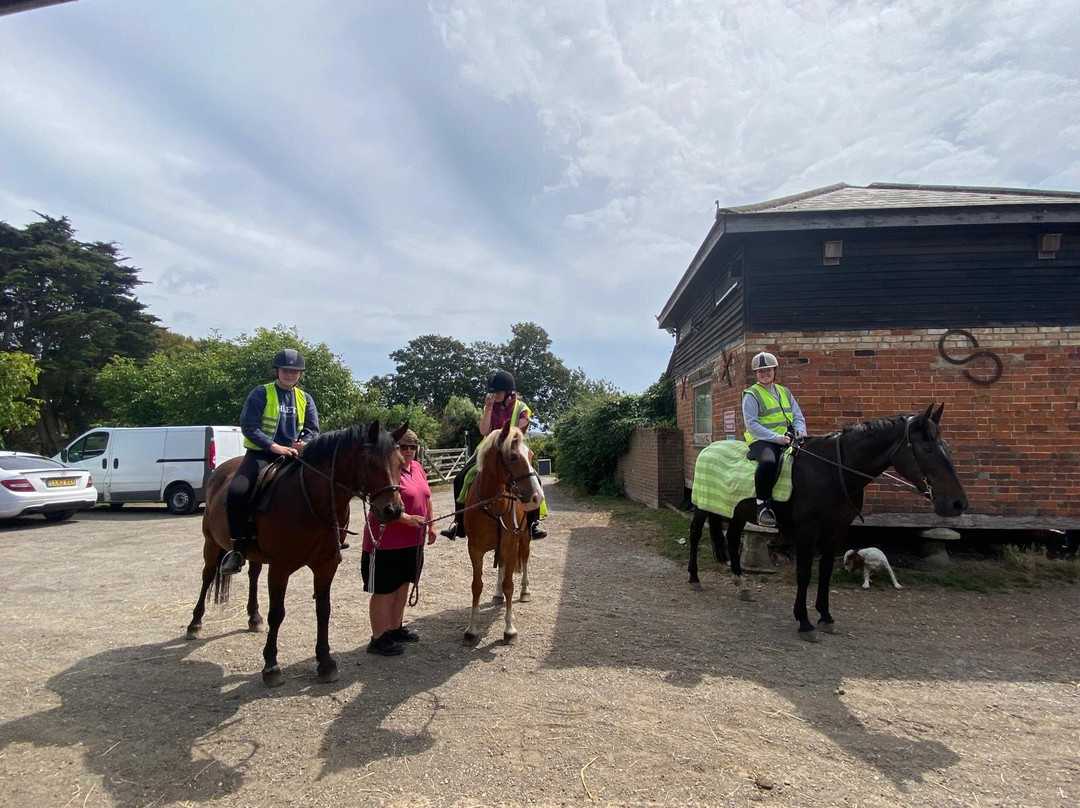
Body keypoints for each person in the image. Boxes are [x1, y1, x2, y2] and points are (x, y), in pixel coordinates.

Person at [220, 348, 320, 575]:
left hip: (295, 456)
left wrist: (304, 442)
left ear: (300, 374)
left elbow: (312, 429)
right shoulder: (261, 393)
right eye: (286, 370)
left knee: (324, 486)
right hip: (262, 455)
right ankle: (237, 549)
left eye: (295, 371)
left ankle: (327, 537)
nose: (290, 374)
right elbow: (249, 427)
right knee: (238, 491)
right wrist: (274, 446)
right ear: (277, 371)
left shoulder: (305, 398)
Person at [440, 369, 547, 540]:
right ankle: (458, 523)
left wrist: (506, 438)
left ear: (508, 391)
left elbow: (520, 429)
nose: (494, 394)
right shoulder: (490, 406)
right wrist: (488, 408)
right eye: (492, 391)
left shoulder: (522, 408)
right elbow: (484, 430)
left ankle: (533, 524)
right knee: (461, 477)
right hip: (488, 448)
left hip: (512, 447)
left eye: (497, 391)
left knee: (535, 480)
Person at [362, 429, 437, 656]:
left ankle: (394, 628)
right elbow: (378, 505)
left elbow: (427, 497)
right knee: (385, 590)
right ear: (394, 448)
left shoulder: (418, 469)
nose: (408, 451)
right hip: (386, 541)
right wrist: (405, 519)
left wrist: (431, 525)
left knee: (403, 585)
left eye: (412, 447)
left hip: (413, 541)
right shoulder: (387, 470)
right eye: (403, 447)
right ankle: (378, 638)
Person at [741, 351, 806, 528]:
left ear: (774, 370)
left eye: (768, 370)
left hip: (787, 436)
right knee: (769, 462)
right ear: (756, 373)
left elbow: (798, 415)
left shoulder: (784, 391)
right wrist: (777, 439)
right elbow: (752, 425)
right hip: (762, 439)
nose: (765, 374)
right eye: (761, 371)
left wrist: (800, 432)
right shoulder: (751, 395)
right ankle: (762, 505)